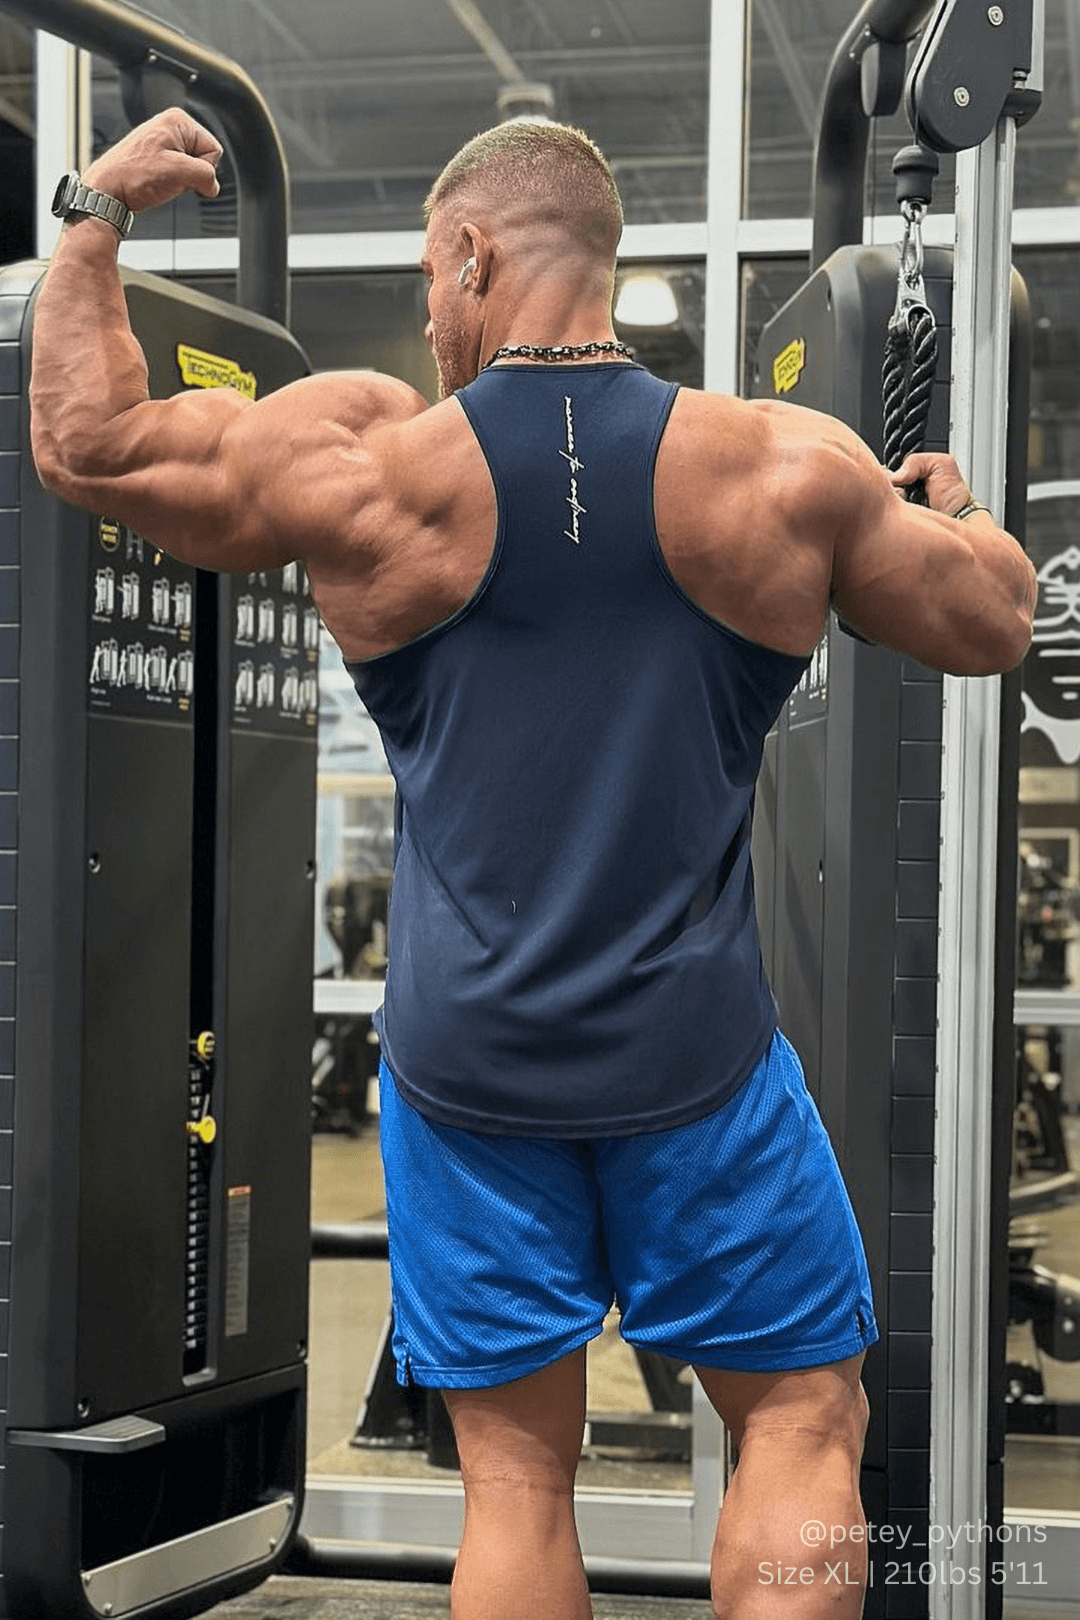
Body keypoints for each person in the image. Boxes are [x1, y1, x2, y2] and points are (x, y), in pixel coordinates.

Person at [31, 110, 1036, 1620]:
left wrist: (95, 213)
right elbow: (1000, 620)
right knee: (799, 1420)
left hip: (468, 1070)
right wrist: (954, 507)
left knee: (513, 1480)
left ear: (469, 254)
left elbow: (86, 442)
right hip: (696, 1058)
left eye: (432, 287)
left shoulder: (369, 462)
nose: (432, 324)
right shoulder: (783, 469)